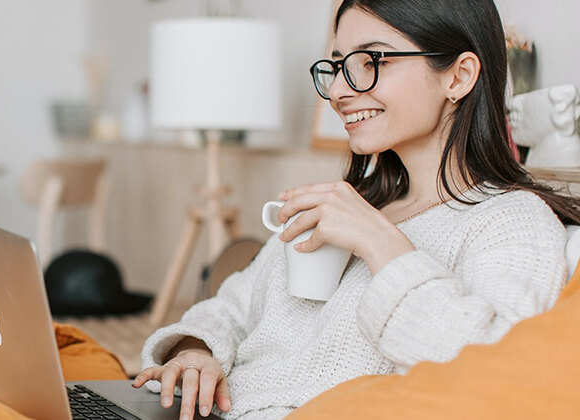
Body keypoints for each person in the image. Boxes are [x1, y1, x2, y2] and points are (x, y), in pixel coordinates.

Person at [131, 0, 580, 419]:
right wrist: (195, 350)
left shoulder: (510, 221)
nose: (340, 92)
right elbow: (230, 306)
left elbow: (493, 369)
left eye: (372, 62)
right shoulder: (352, 201)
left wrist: (380, 242)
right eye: (339, 66)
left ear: (458, 77)